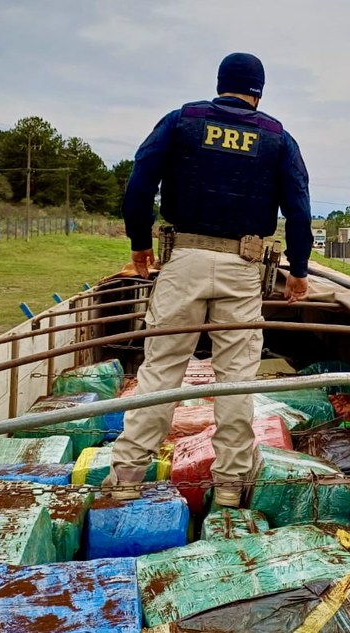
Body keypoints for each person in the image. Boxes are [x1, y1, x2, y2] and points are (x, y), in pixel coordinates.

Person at [107, 52, 312, 507]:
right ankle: (229, 487)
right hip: (243, 268)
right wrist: (298, 271)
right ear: (259, 91)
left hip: (182, 262)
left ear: (219, 83)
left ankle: (125, 478)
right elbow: (299, 210)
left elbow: (139, 186)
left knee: (160, 372)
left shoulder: (182, 121)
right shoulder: (277, 138)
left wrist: (139, 243)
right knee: (235, 380)